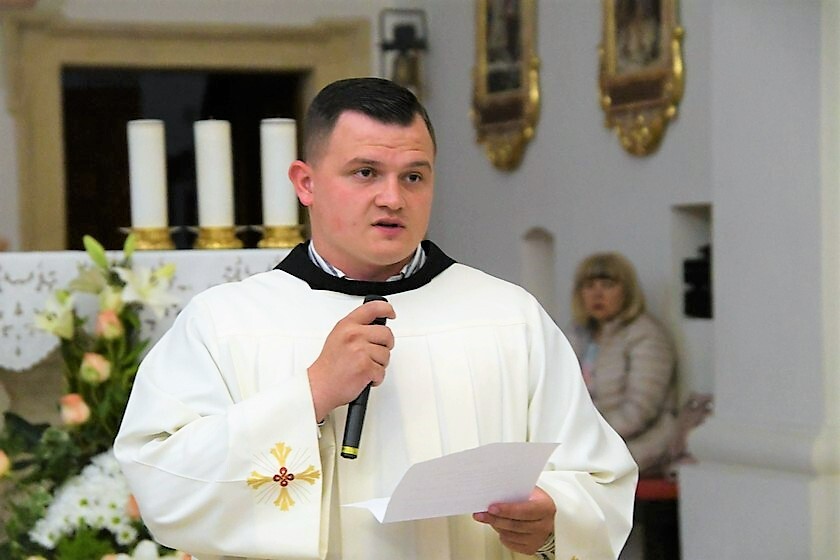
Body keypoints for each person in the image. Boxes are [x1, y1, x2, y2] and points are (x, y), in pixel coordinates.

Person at [115, 77, 637, 560]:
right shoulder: (226, 323)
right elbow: (160, 480)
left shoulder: (508, 317)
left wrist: (552, 520)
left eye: (414, 176)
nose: (393, 198)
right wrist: (311, 394)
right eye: (365, 173)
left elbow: (599, 479)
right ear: (306, 183)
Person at [567, 252, 677, 477]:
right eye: (589, 286)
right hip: (585, 443)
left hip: (636, 446)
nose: (597, 294)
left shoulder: (645, 335)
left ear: (626, 291)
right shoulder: (578, 334)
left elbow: (638, 412)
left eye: (607, 285)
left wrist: (587, 439)